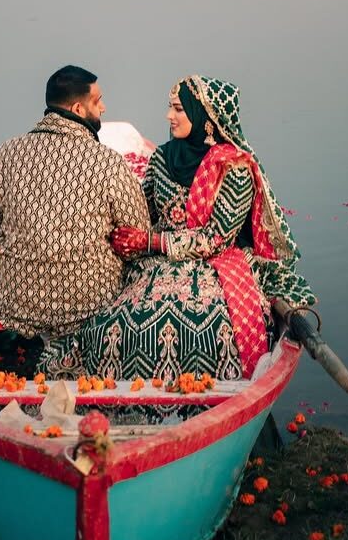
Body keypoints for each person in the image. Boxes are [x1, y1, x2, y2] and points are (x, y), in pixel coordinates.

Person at [39, 75, 316, 381]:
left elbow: (217, 240)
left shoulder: (234, 167)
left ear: (205, 118)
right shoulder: (162, 157)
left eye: (178, 109)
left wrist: (151, 242)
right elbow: (141, 211)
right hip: (155, 266)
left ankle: (198, 396)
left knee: (209, 329)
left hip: (216, 266)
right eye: (169, 108)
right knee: (114, 324)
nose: (168, 116)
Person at [0, 65, 151, 339]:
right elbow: (137, 236)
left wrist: (30, 239)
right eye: (98, 101)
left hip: (15, 303)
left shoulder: (6, 152)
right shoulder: (107, 162)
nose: (103, 107)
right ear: (79, 110)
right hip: (89, 304)